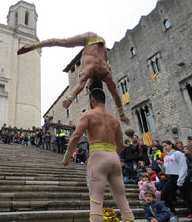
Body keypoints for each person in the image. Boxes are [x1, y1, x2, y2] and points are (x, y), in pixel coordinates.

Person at [17, 32, 130, 125]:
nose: (87, 83)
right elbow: (82, 85)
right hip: (93, 41)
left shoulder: (103, 72)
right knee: (63, 42)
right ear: (90, 84)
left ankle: (34, 46)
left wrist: (122, 114)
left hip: (102, 48)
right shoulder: (102, 72)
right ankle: (33, 46)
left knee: (63, 42)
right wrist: (70, 99)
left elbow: (113, 93)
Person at [62, 88, 134, 222]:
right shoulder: (115, 120)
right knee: (122, 200)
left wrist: (67, 155)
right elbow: (120, 144)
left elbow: (76, 136)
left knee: (96, 200)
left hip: (97, 156)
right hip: (114, 157)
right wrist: (112, 156)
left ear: (92, 100)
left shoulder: (88, 115)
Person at [157, 140, 192, 218]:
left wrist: (180, 180)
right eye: (163, 146)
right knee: (164, 194)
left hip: (181, 177)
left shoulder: (178, 153)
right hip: (172, 178)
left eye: (165, 145)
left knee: (187, 197)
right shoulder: (166, 156)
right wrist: (161, 165)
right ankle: (173, 212)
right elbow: (165, 171)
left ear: (170, 145)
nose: (164, 148)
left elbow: (183, 167)